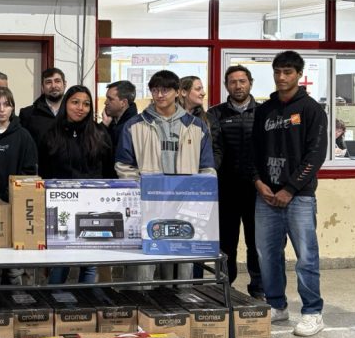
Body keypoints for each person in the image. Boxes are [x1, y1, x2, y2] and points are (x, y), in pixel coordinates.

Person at [252, 50, 327, 337]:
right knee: (267, 254)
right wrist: (258, 181)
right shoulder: (264, 110)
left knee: (306, 255)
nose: (281, 77)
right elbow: (254, 152)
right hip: (265, 195)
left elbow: (315, 154)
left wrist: (290, 189)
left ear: (298, 74)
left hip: (300, 197)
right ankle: (276, 305)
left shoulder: (311, 110)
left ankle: (312, 312)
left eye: (287, 72)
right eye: (277, 72)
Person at [116, 71, 216, 282]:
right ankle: (145, 308)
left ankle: (180, 306)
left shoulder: (196, 127)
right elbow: (123, 166)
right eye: (155, 90)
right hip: (149, 205)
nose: (159, 95)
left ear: (178, 92)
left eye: (165, 90)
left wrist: (197, 199)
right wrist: (145, 190)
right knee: (145, 266)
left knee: (182, 266)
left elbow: (207, 168)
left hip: (184, 206)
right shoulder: (135, 125)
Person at [40, 85, 115, 284]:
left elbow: (109, 173)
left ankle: (86, 306)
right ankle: (55, 303)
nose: (80, 108)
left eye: (86, 104)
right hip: (60, 207)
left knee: (89, 262)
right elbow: (44, 174)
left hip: (93, 207)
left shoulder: (100, 134)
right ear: (66, 104)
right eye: (75, 102)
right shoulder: (51, 134)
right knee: (60, 262)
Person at [208, 65, 263, 298]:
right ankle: (224, 287)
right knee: (226, 244)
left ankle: (259, 289)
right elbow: (214, 149)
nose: (238, 86)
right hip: (226, 190)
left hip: (257, 190)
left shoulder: (263, 112)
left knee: (256, 244)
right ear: (226, 85)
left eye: (242, 81)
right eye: (233, 82)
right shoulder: (215, 114)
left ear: (250, 82)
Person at [0, 86, 38, 286]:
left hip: (16, 205)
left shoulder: (24, 136)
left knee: (14, 267)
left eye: (7, 104)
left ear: (12, 108)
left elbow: (29, 172)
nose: (2, 109)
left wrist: (10, 194)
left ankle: (16, 302)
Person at [21, 67, 67, 157]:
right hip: (40, 169)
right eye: (48, 82)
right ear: (42, 87)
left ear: (64, 84)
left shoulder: (75, 113)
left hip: (69, 170)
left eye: (57, 81)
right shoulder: (28, 114)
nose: (53, 86)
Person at [103, 79, 138, 153]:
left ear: (123, 103)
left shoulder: (133, 128)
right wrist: (104, 126)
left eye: (110, 99)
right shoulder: (112, 123)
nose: (105, 102)